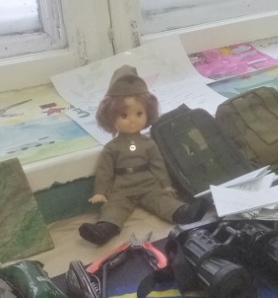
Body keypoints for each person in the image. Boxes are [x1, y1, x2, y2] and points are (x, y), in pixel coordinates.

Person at [79, 65, 206, 246]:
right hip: (121, 188)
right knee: (114, 207)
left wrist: (165, 184)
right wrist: (100, 192)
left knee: (162, 200)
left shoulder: (149, 143)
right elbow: (104, 172)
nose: (132, 120)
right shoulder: (111, 148)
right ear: (110, 117)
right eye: (124, 115)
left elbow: (157, 165)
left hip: (148, 184)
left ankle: (183, 213)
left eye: (139, 113)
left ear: (148, 113)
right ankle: (104, 229)